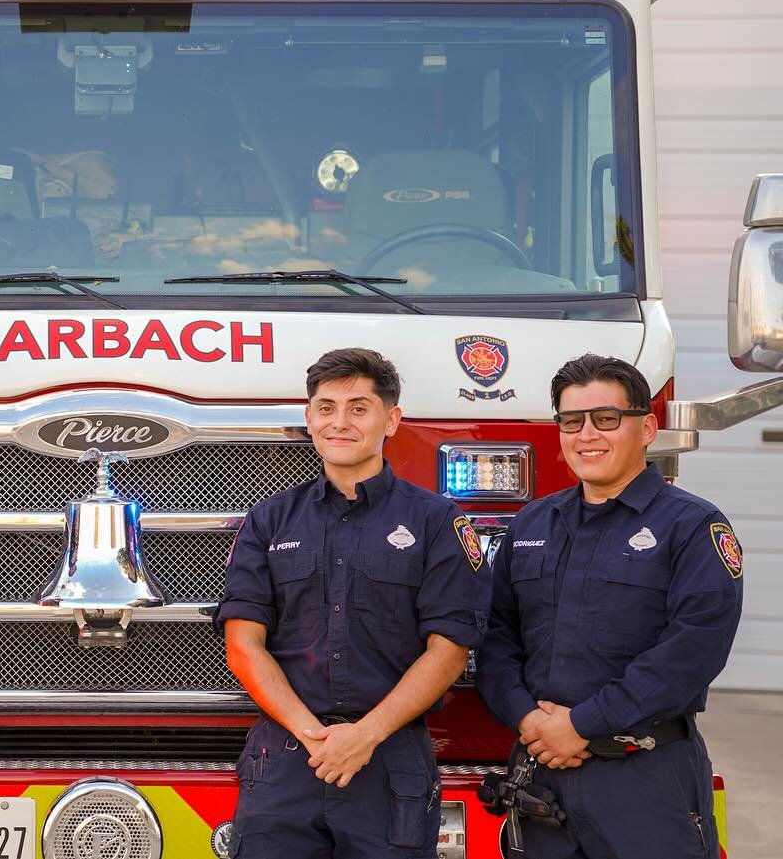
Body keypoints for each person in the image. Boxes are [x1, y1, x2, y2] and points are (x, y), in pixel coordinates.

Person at [217, 347, 492, 858]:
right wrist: (316, 736)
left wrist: (364, 736)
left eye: (359, 408)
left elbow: (449, 651)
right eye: (326, 407)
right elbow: (243, 644)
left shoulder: (437, 521)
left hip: (389, 760)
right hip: (285, 759)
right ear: (309, 418)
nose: (339, 422)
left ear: (392, 420)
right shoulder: (270, 520)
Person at [476, 354, 743, 858]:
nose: (587, 434)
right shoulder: (532, 525)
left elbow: (692, 652)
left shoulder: (692, 527)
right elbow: (494, 636)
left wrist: (580, 724)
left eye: (606, 419)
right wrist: (529, 720)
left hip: (645, 776)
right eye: (571, 421)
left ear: (646, 428)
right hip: (541, 775)